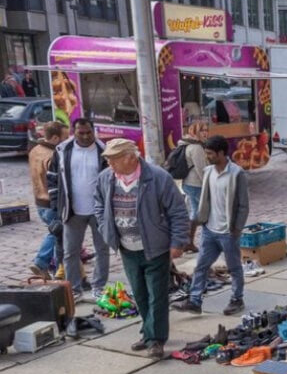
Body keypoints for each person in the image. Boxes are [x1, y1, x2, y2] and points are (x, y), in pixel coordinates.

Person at [95, 138, 189, 359]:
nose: (109, 163)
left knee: (157, 294)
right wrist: (104, 226)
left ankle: (155, 339)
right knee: (139, 293)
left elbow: (178, 211)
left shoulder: (157, 177)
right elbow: (98, 204)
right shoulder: (106, 179)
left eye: (113, 159)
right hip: (126, 247)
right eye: (107, 159)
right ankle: (148, 333)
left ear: (130, 157)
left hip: (155, 247)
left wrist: (178, 242)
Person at [174, 135, 250, 316]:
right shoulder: (208, 171)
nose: (207, 157)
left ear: (221, 153)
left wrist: (237, 228)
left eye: (210, 153)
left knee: (234, 267)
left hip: (228, 232)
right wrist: (202, 220)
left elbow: (243, 205)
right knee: (201, 266)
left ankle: (237, 298)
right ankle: (194, 301)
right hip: (209, 229)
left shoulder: (236, 173)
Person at [48, 118, 110, 300]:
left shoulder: (104, 151)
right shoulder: (62, 151)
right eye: (80, 133)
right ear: (74, 132)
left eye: (88, 132)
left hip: (99, 211)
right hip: (72, 210)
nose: (84, 136)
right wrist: (56, 206)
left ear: (93, 131)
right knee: (70, 252)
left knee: (102, 250)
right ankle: (74, 289)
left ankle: (99, 286)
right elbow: (52, 178)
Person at [28, 121, 68, 279]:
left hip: (39, 201)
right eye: (65, 137)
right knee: (57, 234)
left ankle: (56, 270)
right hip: (51, 202)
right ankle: (42, 263)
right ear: (56, 138)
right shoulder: (53, 156)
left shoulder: (35, 150)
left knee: (58, 235)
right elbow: (57, 182)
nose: (68, 140)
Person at [179, 121, 209, 252]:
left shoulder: (187, 144)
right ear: (195, 131)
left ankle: (188, 242)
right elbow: (202, 169)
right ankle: (205, 243)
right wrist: (209, 185)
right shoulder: (196, 147)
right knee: (206, 214)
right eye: (202, 130)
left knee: (196, 213)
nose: (206, 133)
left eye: (207, 130)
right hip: (196, 184)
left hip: (188, 183)